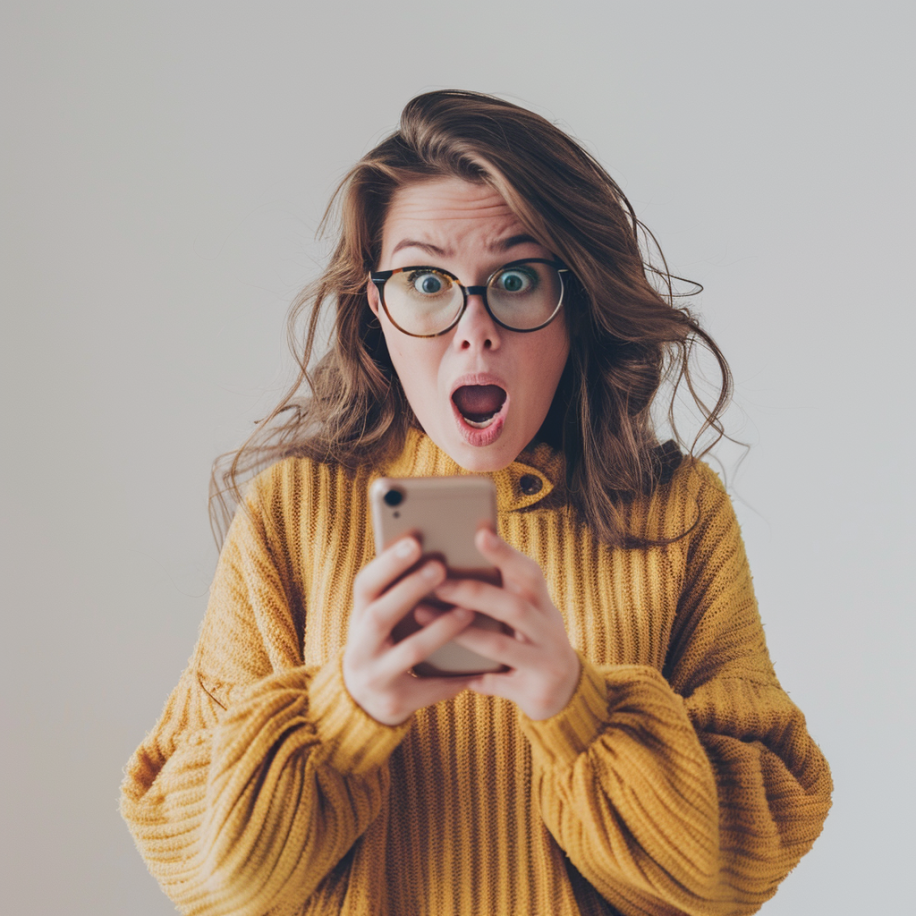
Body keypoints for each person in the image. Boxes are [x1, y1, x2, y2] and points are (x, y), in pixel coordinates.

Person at [119, 90, 832, 916]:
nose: (474, 331)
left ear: (577, 303)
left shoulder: (676, 514)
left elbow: (731, 871)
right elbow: (212, 876)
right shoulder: (293, 512)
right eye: (428, 281)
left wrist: (576, 705)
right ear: (377, 307)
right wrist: (344, 711)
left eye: (517, 279)